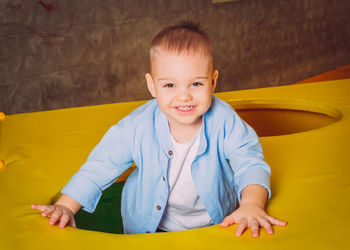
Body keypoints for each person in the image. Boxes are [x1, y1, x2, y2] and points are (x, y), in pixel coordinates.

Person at [32, 20, 287, 237]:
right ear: (152, 86)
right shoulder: (137, 126)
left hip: (213, 223)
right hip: (151, 227)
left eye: (196, 84)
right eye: (169, 86)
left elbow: (250, 162)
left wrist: (252, 204)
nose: (184, 96)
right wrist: (66, 205)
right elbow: (101, 164)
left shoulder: (224, 120)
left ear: (212, 82)